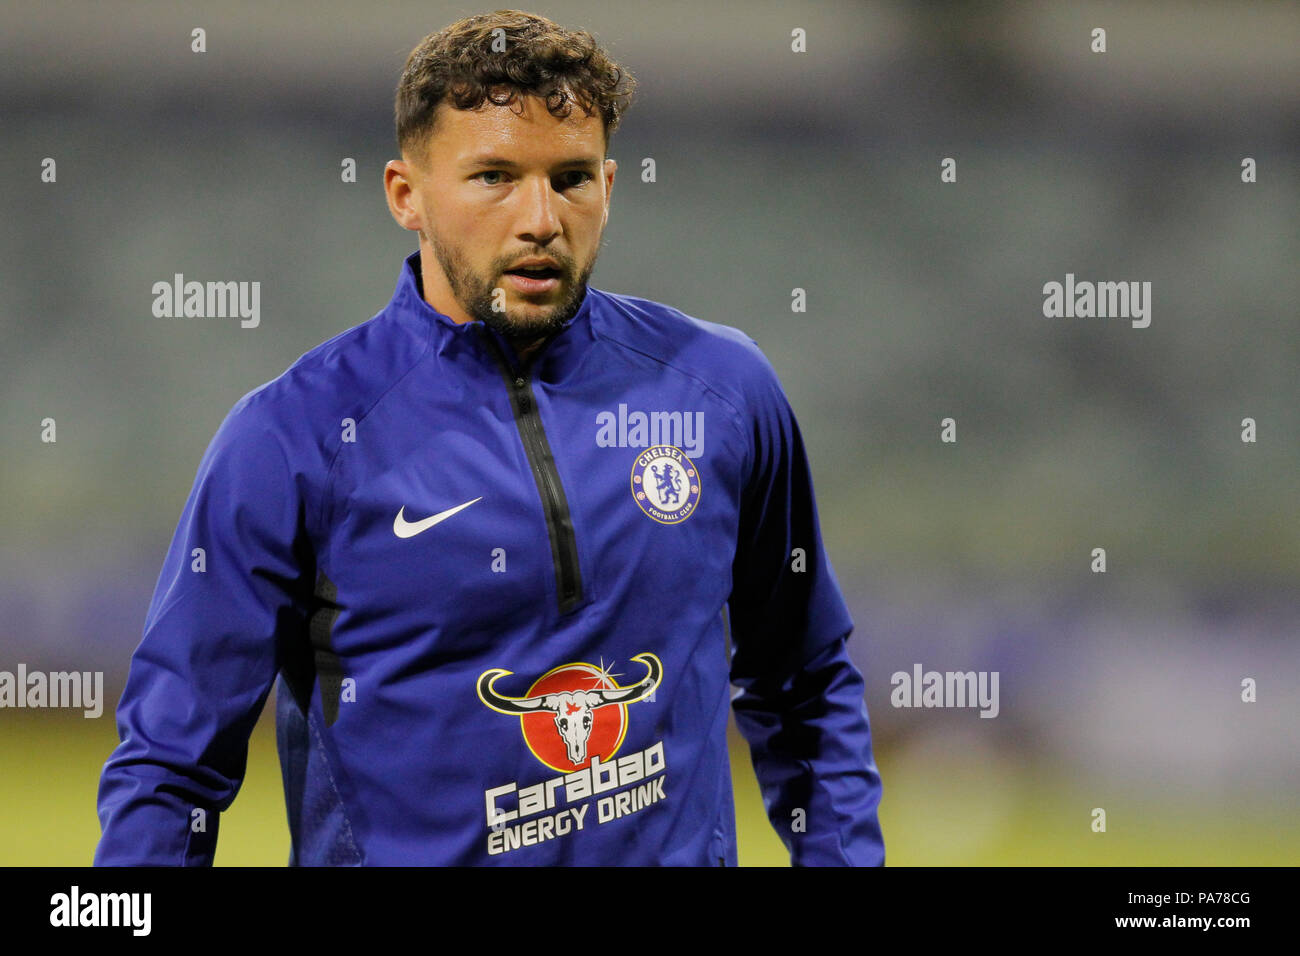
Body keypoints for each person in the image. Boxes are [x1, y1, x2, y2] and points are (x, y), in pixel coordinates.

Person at [94, 9, 884, 866]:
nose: (540, 217)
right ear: (407, 195)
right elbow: (172, 767)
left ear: (609, 188)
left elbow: (804, 684)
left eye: (572, 178)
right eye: (494, 177)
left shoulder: (721, 392)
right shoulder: (293, 438)